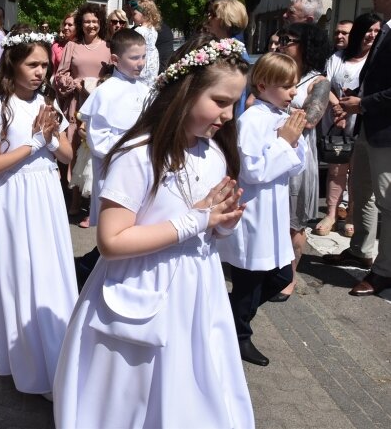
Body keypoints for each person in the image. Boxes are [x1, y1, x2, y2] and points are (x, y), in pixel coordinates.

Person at [52, 34, 253, 428]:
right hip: (142, 287)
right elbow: (111, 241)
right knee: (132, 398)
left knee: (193, 389)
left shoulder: (212, 153)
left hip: (198, 292)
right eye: (220, 102)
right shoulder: (139, 155)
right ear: (185, 93)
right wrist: (197, 220)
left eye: (234, 103)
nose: (229, 115)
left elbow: (205, 226)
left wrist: (222, 225)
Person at [0, 27, 77, 398]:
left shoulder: (48, 104)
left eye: (45, 64)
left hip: (45, 193)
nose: (41, 71)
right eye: (33, 64)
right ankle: (21, 353)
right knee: (19, 271)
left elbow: (68, 158)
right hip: (15, 194)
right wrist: (35, 142)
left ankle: (53, 349)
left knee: (47, 268)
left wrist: (55, 135)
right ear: (13, 65)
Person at [221, 52, 307, 367]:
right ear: (263, 84)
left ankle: (227, 314)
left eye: (295, 85)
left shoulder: (282, 116)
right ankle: (239, 333)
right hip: (254, 213)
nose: (293, 92)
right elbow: (252, 171)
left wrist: (295, 141)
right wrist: (284, 142)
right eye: (286, 86)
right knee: (250, 280)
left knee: (280, 275)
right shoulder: (251, 120)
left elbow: (298, 166)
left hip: (275, 212)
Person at [73, 29, 151, 286]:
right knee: (118, 226)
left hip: (145, 167)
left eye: (143, 57)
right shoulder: (105, 93)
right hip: (117, 169)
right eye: (134, 58)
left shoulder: (145, 89)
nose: (141, 63)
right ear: (116, 60)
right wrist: (131, 146)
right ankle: (88, 270)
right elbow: (98, 139)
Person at [336, 0, 391, 296]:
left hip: (386, 131)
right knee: (362, 190)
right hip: (370, 128)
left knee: (388, 202)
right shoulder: (384, 29)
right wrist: (353, 96)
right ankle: (360, 249)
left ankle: (384, 271)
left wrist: (362, 103)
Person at [276, 23, 332, 300]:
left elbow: (309, 119)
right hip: (273, 150)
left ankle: (290, 277)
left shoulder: (318, 82)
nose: (282, 43)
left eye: (289, 39)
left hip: (298, 156)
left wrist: (273, 104)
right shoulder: (279, 71)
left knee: (294, 221)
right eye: (282, 38)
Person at [315, 14, 381, 238]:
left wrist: (351, 109)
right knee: (336, 169)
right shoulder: (337, 58)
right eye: (367, 31)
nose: (372, 35)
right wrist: (339, 108)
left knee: (358, 173)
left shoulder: (376, 58)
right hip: (336, 121)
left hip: (361, 122)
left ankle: (351, 216)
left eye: (376, 31)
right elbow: (324, 83)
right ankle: (332, 213)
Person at [54, 3, 110, 215]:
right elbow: (60, 75)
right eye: (87, 21)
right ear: (81, 23)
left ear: (100, 23)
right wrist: (75, 83)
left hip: (99, 106)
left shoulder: (109, 46)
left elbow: (112, 75)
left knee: (95, 152)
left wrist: (99, 84)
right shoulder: (72, 46)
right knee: (76, 150)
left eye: (95, 21)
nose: (91, 25)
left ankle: (93, 207)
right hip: (77, 104)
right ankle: (75, 202)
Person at [124, 0, 174, 72]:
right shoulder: (135, 30)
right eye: (126, 1)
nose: (127, 5)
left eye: (130, 2)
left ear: (144, 2)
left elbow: (163, 66)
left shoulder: (162, 31)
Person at [128, 0, 161, 87]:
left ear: (144, 14)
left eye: (134, 14)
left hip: (142, 59)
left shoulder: (139, 30)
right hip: (153, 59)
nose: (133, 17)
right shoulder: (153, 29)